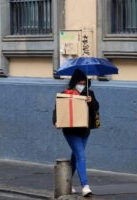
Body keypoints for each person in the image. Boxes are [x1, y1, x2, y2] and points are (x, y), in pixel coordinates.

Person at [53, 69, 99, 197]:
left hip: (85, 130)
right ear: (74, 82)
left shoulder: (90, 93)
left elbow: (96, 108)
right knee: (80, 155)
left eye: (84, 83)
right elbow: (57, 109)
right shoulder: (66, 93)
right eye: (79, 82)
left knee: (76, 156)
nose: (82, 85)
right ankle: (85, 186)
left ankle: (67, 182)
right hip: (70, 130)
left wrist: (91, 101)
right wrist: (56, 121)